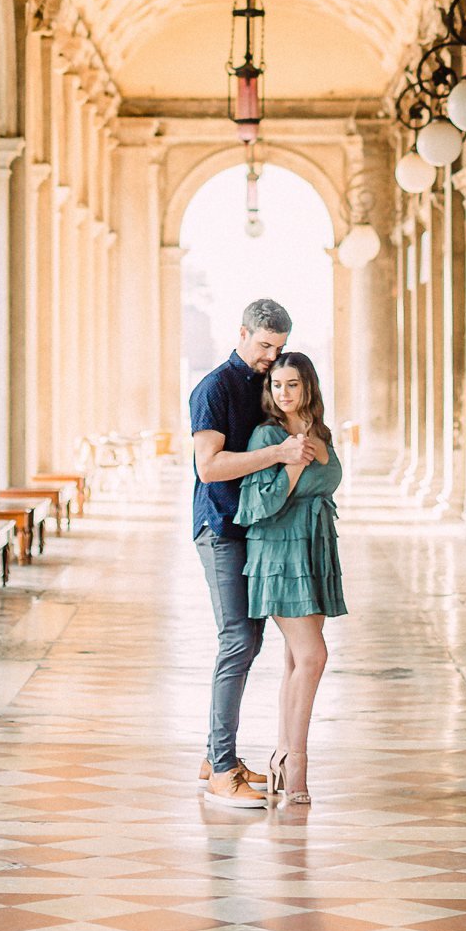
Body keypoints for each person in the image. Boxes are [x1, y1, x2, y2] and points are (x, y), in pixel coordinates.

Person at [190, 298, 308, 808]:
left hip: (250, 529)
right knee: (238, 638)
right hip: (218, 527)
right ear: (242, 333)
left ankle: (217, 754)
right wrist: (279, 454)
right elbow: (209, 468)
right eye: (264, 346)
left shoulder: (264, 381)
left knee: (250, 638)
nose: (271, 357)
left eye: (279, 348)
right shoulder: (213, 388)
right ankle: (221, 770)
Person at [236, 351, 345, 807]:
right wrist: (293, 462)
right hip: (279, 553)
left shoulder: (319, 431)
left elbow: (330, 481)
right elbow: (257, 507)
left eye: (292, 384)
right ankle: (296, 761)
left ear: (308, 387)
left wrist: (307, 450)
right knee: (313, 656)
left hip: (314, 551)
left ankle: (282, 753)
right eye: (276, 385)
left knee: (295, 661)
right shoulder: (268, 435)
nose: (283, 393)